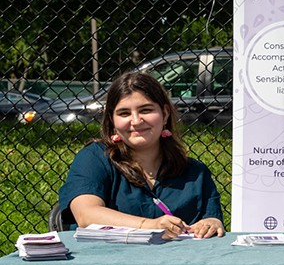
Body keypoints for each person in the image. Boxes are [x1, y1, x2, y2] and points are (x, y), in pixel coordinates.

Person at [59, 71, 225, 239]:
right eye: (124, 113)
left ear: (165, 113)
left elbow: (211, 217)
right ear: (112, 120)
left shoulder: (195, 173)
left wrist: (211, 223)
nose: (136, 121)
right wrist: (150, 226)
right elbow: (86, 216)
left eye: (146, 110)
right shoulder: (95, 158)